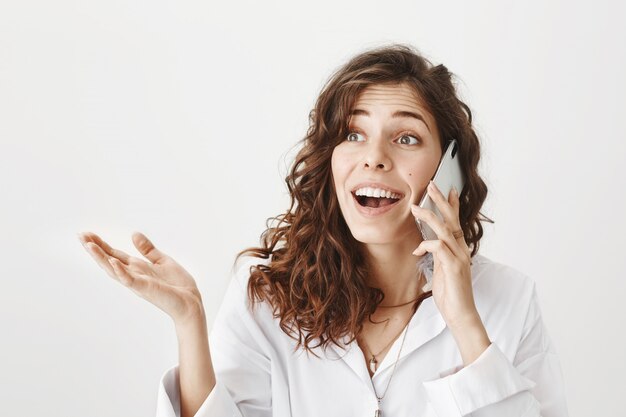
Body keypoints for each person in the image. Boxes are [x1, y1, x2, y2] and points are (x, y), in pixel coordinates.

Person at [78, 44, 569, 417]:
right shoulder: (264, 298)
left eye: (406, 137)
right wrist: (189, 322)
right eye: (353, 134)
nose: (374, 156)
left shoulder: (510, 299)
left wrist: (464, 320)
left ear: (450, 169)